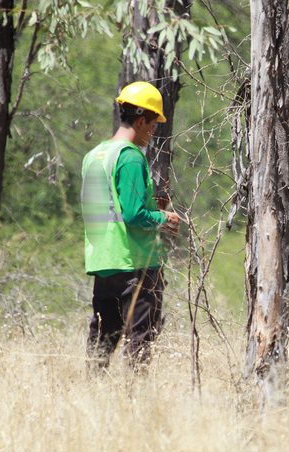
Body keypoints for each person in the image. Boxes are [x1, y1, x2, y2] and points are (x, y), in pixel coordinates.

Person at [81, 81, 180, 372]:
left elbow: (111, 208)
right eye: (152, 124)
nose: (153, 132)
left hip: (103, 261)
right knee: (140, 342)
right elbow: (134, 215)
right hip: (135, 263)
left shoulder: (94, 156)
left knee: (102, 342)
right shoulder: (130, 156)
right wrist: (165, 219)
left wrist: (153, 208)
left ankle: (92, 397)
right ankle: (135, 404)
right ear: (140, 120)